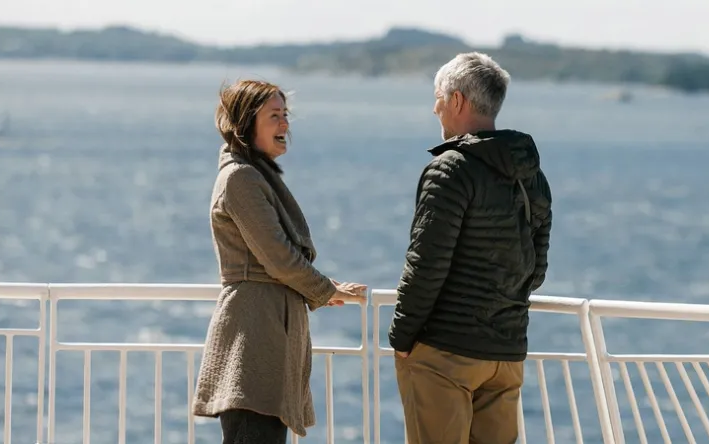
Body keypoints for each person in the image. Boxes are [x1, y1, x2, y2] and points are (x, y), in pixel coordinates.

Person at [389, 52, 553, 443]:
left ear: (458, 100)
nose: (435, 108)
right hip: (506, 353)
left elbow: (426, 264)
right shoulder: (530, 174)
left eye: (438, 98)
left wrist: (401, 337)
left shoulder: (450, 169)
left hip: (447, 352)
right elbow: (536, 269)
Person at [192, 79, 367, 443]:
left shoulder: (253, 175)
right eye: (274, 116)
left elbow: (276, 260)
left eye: (286, 114)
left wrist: (323, 287)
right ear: (246, 123)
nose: (285, 124)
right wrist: (325, 289)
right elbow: (279, 259)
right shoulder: (241, 178)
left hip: (265, 338)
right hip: (253, 340)